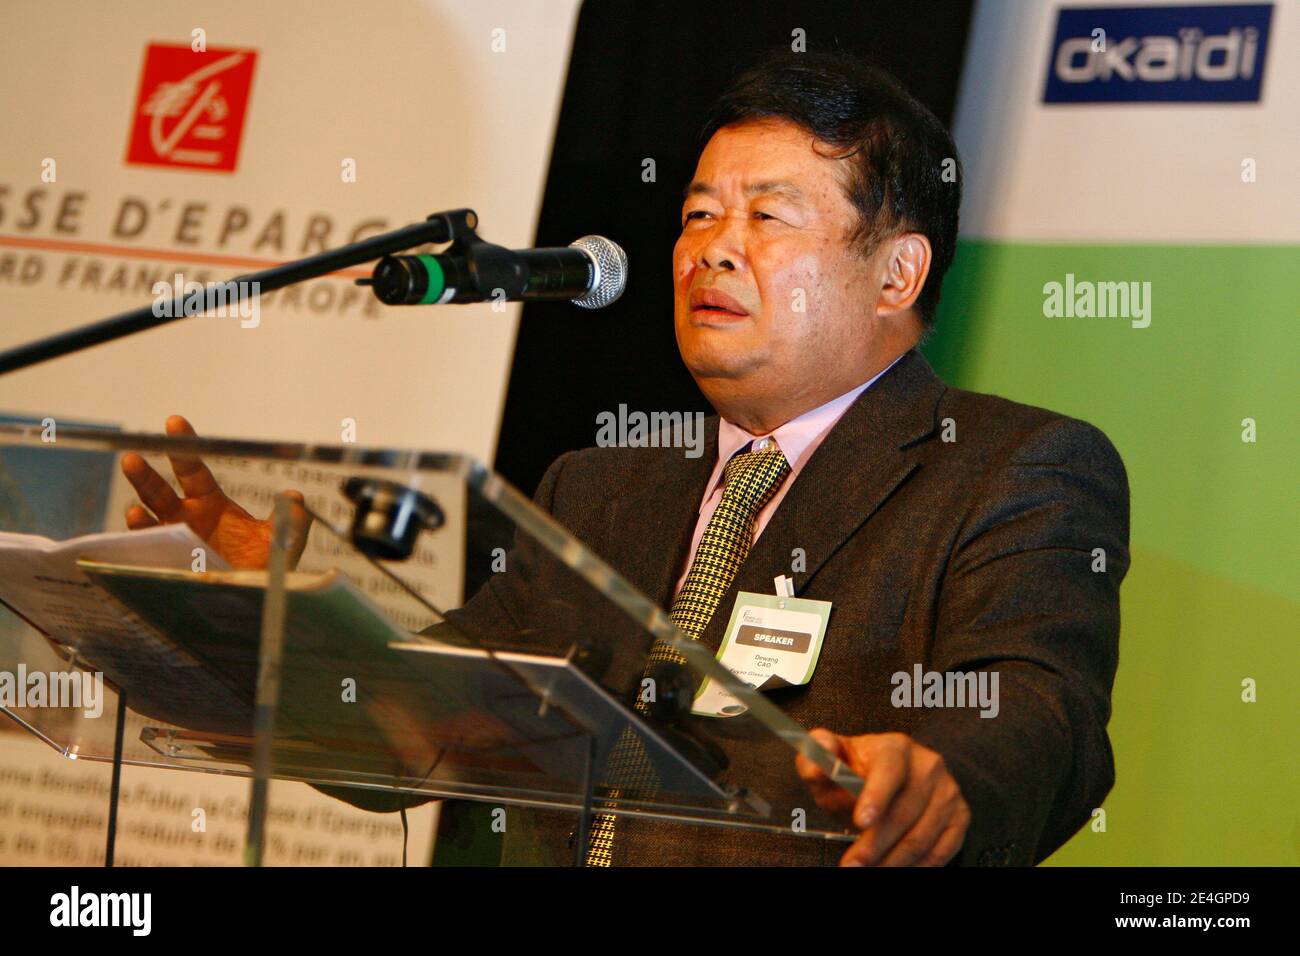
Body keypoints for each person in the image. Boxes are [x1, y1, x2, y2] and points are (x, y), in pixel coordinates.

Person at [120, 52, 1129, 866]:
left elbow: (1041, 710)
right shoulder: (599, 485)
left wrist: (943, 777)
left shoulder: (1011, 468)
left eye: (766, 217)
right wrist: (279, 596)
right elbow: (422, 730)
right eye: (697, 214)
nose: (709, 250)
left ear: (896, 270)